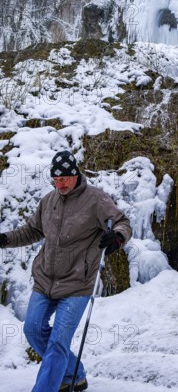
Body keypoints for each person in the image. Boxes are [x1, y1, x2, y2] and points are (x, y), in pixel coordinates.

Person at [0, 150, 132, 392]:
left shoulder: (96, 200)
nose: (59, 184)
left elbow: (122, 222)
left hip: (76, 284)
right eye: (55, 179)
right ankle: (74, 374)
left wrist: (117, 237)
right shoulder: (49, 201)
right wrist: (5, 239)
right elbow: (32, 231)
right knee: (32, 329)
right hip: (45, 280)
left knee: (59, 342)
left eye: (64, 179)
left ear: (75, 174)